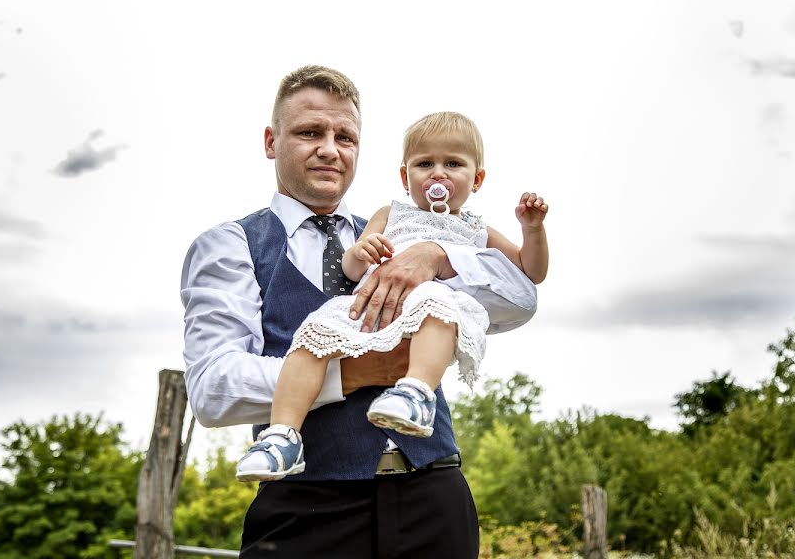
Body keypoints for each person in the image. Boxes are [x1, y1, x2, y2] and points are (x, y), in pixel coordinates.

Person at [181, 65, 538, 558]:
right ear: (271, 141)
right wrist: (352, 373)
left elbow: (520, 298)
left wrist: (438, 256)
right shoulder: (231, 245)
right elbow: (213, 389)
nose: (331, 148)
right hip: (309, 508)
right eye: (310, 132)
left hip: (434, 495)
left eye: (345, 137)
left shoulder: (404, 231)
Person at [234, 111, 549, 482]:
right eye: (424, 163)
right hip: (372, 310)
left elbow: (530, 273)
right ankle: (282, 437)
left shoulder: (477, 229)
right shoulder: (389, 214)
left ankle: (415, 392)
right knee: (311, 338)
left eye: (453, 163)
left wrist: (533, 230)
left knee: (437, 306)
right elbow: (351, 270)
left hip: (430, 310)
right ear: (405, 176)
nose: (438, 173)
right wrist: (361, 252)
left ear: (477, 178)